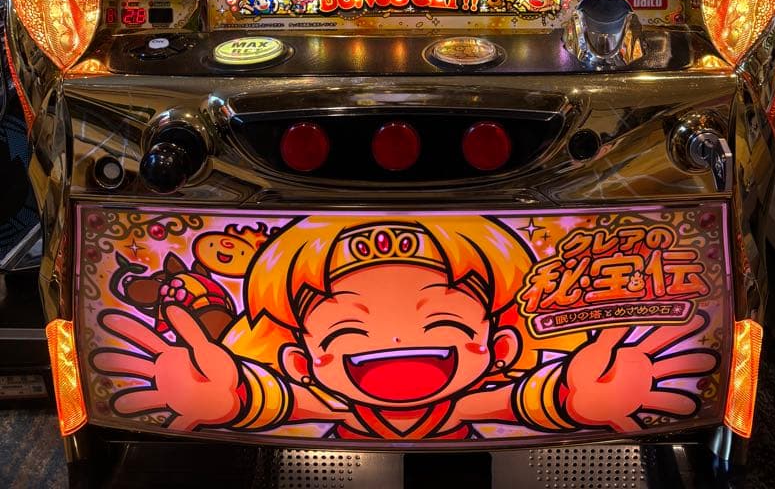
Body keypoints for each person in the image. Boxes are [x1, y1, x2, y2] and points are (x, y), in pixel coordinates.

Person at [92, 215, 718, 440]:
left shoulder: (475, 390)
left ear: (500, 346)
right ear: (300, 360)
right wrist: (226, 395)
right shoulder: (308, 386)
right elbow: (274, 399)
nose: (393, 343)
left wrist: (580, 396)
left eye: (441, 321)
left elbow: (525, 399)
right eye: (348, 333)